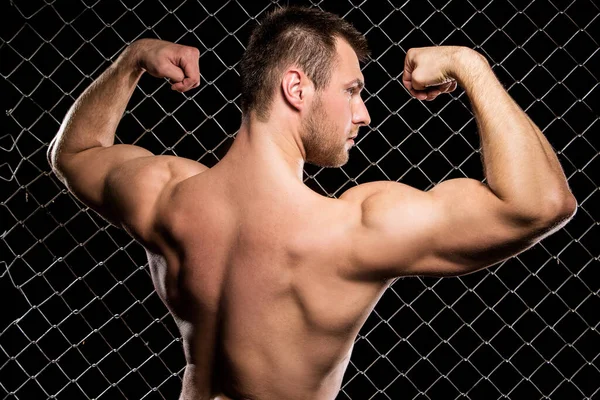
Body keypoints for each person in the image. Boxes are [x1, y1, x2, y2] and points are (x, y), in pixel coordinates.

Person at [47, 6, 577, 400]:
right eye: (351, 90)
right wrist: (470, 66)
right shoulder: (349, 231)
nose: (364, 113)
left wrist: (132, 60)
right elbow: (541, 204)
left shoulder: (166, 195)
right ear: (296, 88)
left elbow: (73, 152)